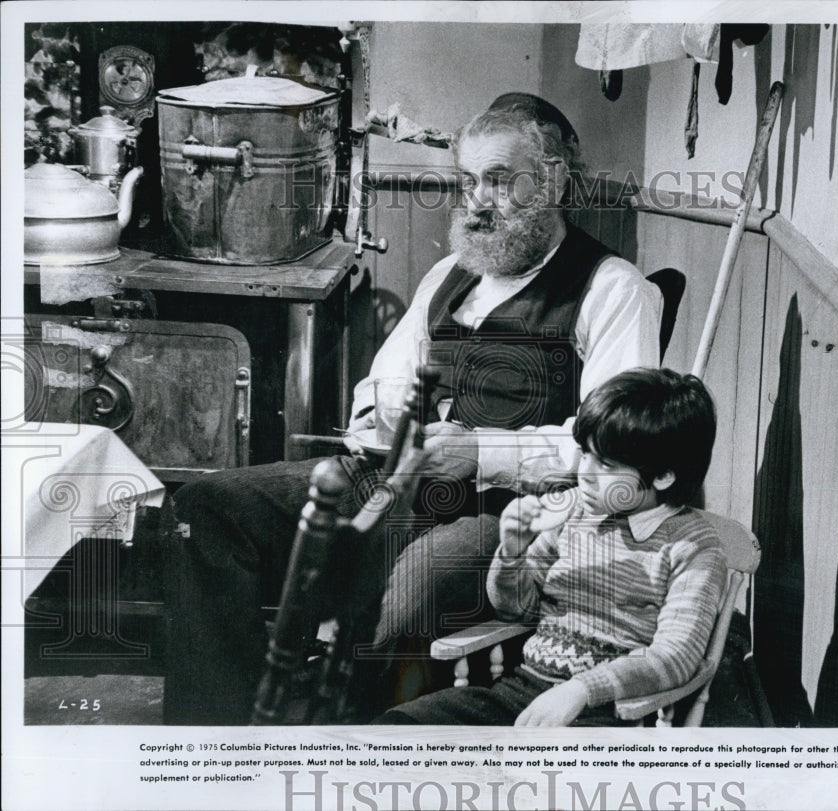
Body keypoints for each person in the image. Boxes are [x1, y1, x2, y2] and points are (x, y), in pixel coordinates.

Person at [162, 92, 662, 725]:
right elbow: (381, 384)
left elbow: (612, 447)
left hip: (510, 513)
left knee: (414, 587)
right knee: (209, 509)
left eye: (502, 181)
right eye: (469, 181)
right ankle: (213, 743)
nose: (479, 199)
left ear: (556, 180)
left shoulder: (612, 288)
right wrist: (391, 419)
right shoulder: (452, 273)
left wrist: (478, 452)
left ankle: (364, 743)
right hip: (392, 479)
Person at [374, 368, 727, 726]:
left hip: (612, 715)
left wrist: (581, 690)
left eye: (605, 464)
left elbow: (676, 656)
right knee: (397, 729)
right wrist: (512, 552)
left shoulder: (692, 545)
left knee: (528, 776)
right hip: (523, 692)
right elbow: (518, 611)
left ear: (663, 475)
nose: (585, 472)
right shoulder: (574, 511)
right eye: (585, 454)